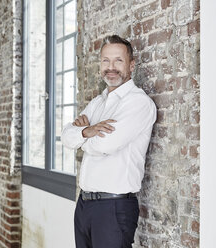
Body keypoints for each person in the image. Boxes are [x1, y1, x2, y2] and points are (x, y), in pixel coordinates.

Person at [61, 34, 156, 248]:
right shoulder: (98, 102)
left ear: (131, 65)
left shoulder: (138, 103)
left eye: (118, 61)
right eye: (106, 60)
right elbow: (66, 136)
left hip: (114, 208)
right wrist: (88, 132)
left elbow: (105, 145)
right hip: (84, 205)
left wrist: (82, 135)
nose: (110, 67)